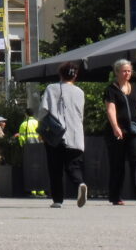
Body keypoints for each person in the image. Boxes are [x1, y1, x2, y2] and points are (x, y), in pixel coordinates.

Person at [104, 59, 136, 206]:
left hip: (134, 129)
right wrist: (115, 127)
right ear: (117, 72)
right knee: (117, 163)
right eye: (124, 71)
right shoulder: (111, 90)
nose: (127, 73)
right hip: (117, 131)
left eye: (129, 71)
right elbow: (111, 109)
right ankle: (115, 196)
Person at [38, 61, 87, 208]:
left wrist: (42, 129)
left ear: (60, 73)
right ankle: (80, 184)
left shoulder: (51, 88)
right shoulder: (80, 92)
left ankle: (58, 200)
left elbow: (43, 111)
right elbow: (81, 115)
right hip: (76, 135)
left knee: (55, 168)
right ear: (75, 75)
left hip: (56, 135)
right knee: (73, 166)